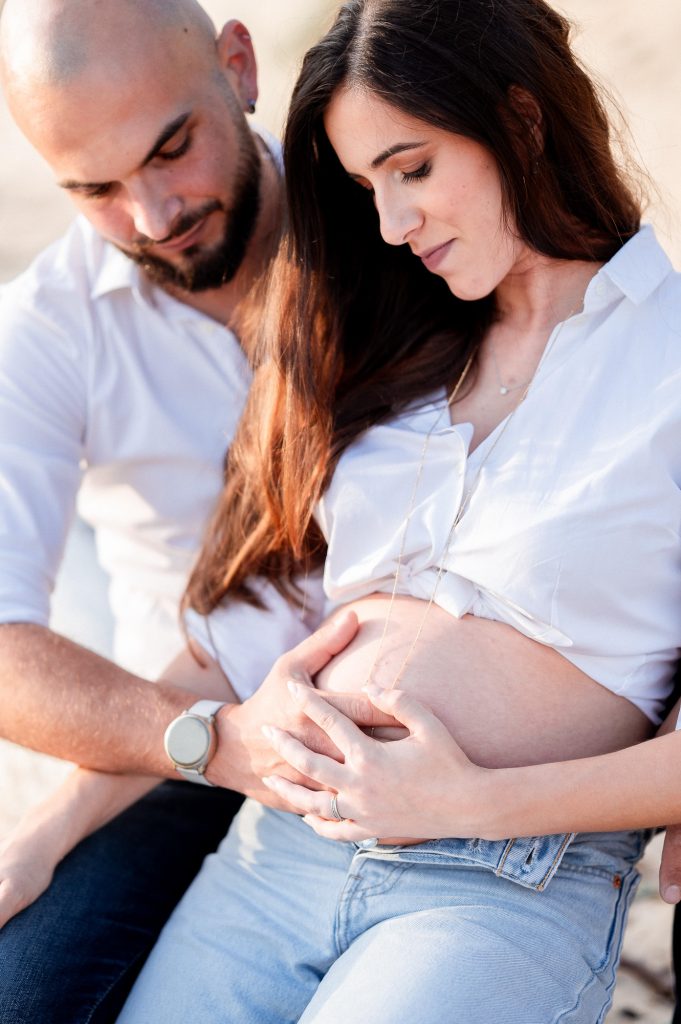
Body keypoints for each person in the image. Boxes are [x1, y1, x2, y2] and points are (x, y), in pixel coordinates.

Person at [102, 0, 681, 1020]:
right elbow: (238, 626)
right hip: (279, 852)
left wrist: (473, 801)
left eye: (412, 168)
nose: (391, 224)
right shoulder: (390, 342)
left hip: (503, 877)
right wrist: (41, 838)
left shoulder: (666, 354)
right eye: (368, 187)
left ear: (522, 121)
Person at [0, 1, 388, 1019]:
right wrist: (211, 742)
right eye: (95, 190)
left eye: (172, 148)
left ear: (239, 68)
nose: (153, 215)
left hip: (425, 719)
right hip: (174, 750)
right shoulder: (45, 330)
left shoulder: (394, 217)